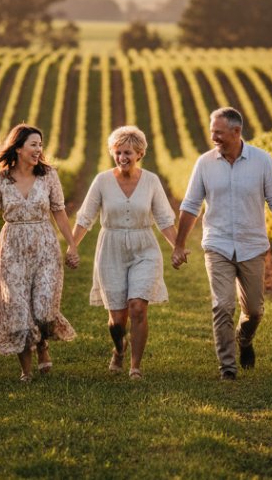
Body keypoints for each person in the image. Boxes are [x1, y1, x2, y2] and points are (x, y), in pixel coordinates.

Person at [172, 107, 272, 380]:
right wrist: (179, 245)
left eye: (218, 133)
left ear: (236, 132)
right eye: (212, 132)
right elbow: (190, 206)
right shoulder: (204, 163)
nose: (213, 137)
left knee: (255, 311)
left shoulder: (262, 161)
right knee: (222, 305)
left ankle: (244, 340)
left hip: (252, 245)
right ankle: (227, 367)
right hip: (218, 243)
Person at [70, 126, 177, 380]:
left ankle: (135, 366)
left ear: (139, 153)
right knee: (117, 320)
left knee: (137, 306)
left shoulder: (151, 181)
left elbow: (164, 218)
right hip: (111, 248)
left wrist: (177, 247)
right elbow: (86, 217)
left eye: (127, 152)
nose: (122, 158)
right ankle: (119, 349)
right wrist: (72, 246)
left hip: (144, 247)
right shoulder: (102, 180)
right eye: (118, 153)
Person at [0, 124, 78, 382]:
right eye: (33, 144)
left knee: (44, 309)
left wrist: (72, 244)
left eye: (40, 145)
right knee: (18, 310)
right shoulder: (0, 179)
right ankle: (26, 369)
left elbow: (58, 212)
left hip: (44, 244)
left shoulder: (48, 175)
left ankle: (42, 343)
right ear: (18, 147)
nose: (38, 150)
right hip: (12, 247)